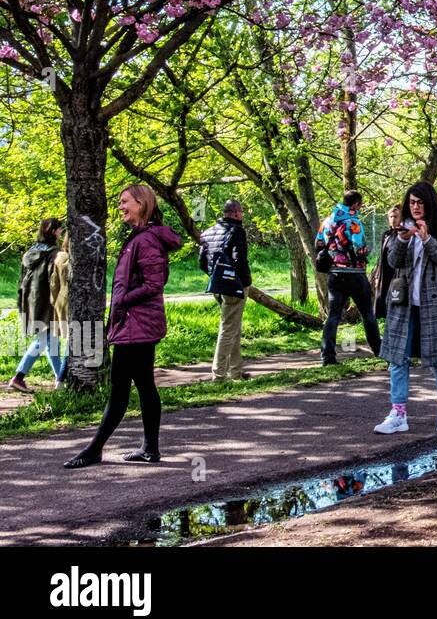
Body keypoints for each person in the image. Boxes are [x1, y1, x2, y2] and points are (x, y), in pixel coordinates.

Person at [65, 185, 182, 468]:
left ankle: (94, 449)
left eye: (124, 202)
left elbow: (154, 284)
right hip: (134, 323)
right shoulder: (141, 237)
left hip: (137, 324)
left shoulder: (147, 240)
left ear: (141, 204)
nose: (120, 207)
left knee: (119, 389)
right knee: (144, 385)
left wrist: (122, 301)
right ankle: (150, 449)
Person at [374, 182, 437, 435]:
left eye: (420, 202)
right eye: (411, 202)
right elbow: (392, 262)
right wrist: (402, 239)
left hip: (433, 306)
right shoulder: (401, 230)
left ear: (430, 203)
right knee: (397, 358)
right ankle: (398, 413)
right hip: (404, 305)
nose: (415, 207)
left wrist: (427, 239)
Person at [317, 190, 382, 366]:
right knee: (368, 313)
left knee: (333, 316)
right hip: (355, 275)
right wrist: (365, 252)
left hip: (335, 274)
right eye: (360, 204)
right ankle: (379, 350)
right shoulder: (354, 222)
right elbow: (359, 248)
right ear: (354, 205)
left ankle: (327, 356)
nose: (361, 208)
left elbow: (319, 244)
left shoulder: (328, 221)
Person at [7, 218, 67, 393]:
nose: (61, 233)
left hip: (30, 301)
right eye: (59, 230)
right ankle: (19, 376)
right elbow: (54, 280)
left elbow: (21, 280)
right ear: (54, 231)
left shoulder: (30, 252)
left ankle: (60, 380)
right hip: (46, 302)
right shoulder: (54, 253)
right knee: (45, 340)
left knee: (50, 342)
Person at [197, 199, 253, 382]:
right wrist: (245, 282)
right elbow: (239, 259)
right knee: (228, 328)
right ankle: (218, 374)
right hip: (234, 285)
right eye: (242, 212)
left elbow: (202, 262)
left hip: (217, 285)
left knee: (233, 326)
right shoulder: (236, 230)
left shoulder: (208, 232)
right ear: (236, 213)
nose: (242, 216)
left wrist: (215, 275)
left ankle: (236, 372)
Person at [370, 205, 405, 320]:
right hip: (385, 273)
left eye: (396, 216)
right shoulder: (386, 235)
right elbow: (382, 256)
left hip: (397, 274)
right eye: (391, 216)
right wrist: (377, 275)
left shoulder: (403, 234)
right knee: (382, 299)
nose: (393, 219)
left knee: (396, 299)